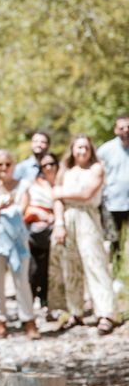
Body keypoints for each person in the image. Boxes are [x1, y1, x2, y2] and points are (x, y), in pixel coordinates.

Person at [51, 134, 117, 335]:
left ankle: (106, 312)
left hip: (88, 217)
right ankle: (75, 311)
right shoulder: (66, 170)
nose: (81, 151)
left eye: (85, 148)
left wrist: (61, 193)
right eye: (78, 147)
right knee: (70, 265)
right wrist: (59, 223)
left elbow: (87, 194)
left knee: (94, 263)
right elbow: (56, 201)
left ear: (91, 150)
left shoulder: (96, 169)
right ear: (72, 149)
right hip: (68, 218)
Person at [0, 150, 40, 339]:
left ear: (13, 166)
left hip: (16, 239)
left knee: (21, 280)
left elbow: (21, 211)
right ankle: (0, 320)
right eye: (0, 165)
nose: (4, 168)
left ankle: (28, 320)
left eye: (7, 164)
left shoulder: (22, 186)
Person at [24, 152, 60, 308]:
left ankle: (48, 300)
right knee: (34, 268)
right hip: (36, 232)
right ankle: (29, 302)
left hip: (56, 232)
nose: (49, 168)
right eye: (45, 165)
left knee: (50, 268)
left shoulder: (62, 183)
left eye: (52, 164)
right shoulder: (33, 185)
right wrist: (40, 213)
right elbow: (25, 207)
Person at [97, 115, 129, 259]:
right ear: (116, 130)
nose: (126, 130)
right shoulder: (106, 150)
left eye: (128, 127)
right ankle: (117, 274)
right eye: (122, 127)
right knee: (115, 241)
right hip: (113, 203)